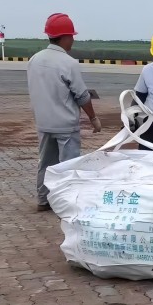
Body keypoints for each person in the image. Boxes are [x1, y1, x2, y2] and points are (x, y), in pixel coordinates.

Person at [27, 13, 102, 212]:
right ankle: (68, 203)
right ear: (65, 37)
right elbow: (82, 96)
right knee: (69, 165)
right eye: (71, 36)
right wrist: (93, 118)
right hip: (65, 125)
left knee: (46, 163)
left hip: (43, 122)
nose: (73, 40)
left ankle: (43, 200)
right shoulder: (69, 63)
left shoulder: (34, 60)